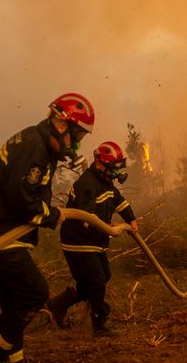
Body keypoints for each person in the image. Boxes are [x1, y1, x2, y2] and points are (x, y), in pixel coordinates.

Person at [0, 93, 95, 363]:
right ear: (62, 126)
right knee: (34, 291)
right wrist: (51, 216)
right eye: (77, 137)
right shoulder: (33, 148)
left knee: (14, 299)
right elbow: (22, 200)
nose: (75, 147)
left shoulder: (40, 144)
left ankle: (13, 358)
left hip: (0, 229)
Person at [46, 141, 139, 336]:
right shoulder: (87, 185)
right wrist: (109, 229)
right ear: (101, 164)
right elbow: (88, 219)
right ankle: (99, 324)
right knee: (96, 281)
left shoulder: (105, 182)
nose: (116, 174)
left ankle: (59, 304)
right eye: (113, 169)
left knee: (104, 276)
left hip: (94, 240)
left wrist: (131, 219)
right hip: (78, 241)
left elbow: (118, 201)